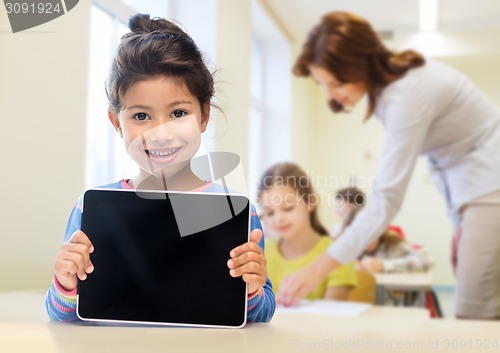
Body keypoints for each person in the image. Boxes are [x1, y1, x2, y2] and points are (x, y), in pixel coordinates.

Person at [44, 13, 275, 323]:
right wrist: (66, 284)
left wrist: (252, 290)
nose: (161, 133)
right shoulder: (90, 207)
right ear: (117, 124)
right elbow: (60, 314)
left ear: (204, 116)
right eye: (141, 116)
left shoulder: (237, 210)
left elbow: (263, 312)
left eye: (178, 112)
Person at [277, 11, 500, 320]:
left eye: (336, 82)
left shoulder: (407, 95)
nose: (331, 95)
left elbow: (386, 199)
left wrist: (317, 270)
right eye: (322, 84)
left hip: (491, 185)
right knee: (479, 306)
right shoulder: (391, 93)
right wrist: (460, 222)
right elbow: (445, 159)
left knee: (474, 313)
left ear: (361, 65)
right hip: (478, 189)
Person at [258, 162, 357, 301]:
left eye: (288, 208)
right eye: (270, 213)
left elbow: (333, 317)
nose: (278, 218)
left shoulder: (337, 255)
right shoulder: (262, 252)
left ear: (310, 202)